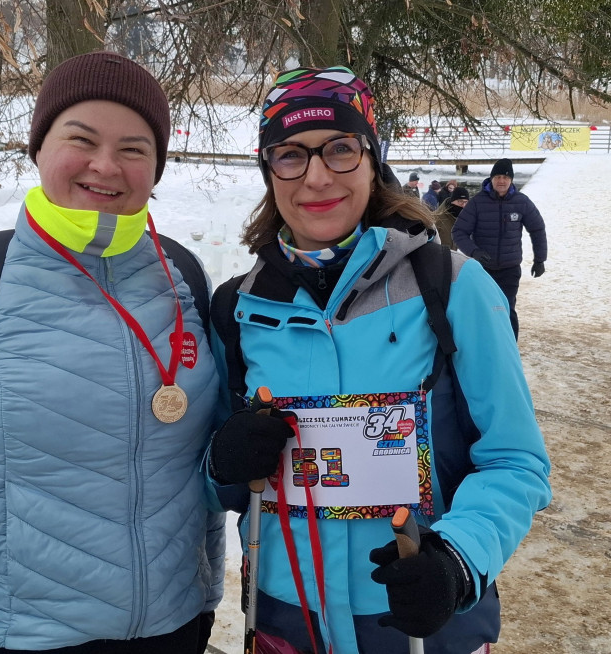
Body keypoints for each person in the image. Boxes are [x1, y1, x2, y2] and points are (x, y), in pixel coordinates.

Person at [0, 51, 224, 654]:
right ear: (39, 147)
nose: (105, 165)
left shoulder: (184, 278)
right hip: (29, 638)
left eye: (135, 149)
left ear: (156, 167)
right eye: (80, 138)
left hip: (177, 624)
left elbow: (198, 465)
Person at [206, 66, 551, 654]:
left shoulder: (452, 287)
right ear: (269, 172)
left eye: (339, 149)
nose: (315, 177)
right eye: (289, 155)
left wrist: (456, 560)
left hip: (419, 617)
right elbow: (226, 485)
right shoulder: (239, 305)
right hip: (287, 617)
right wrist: (224, 461)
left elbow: (516, 462)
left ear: (372, 159)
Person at [451, 158, 548, 337]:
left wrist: (540, 259)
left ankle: (509, 348)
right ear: (491, 179)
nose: (501, 181)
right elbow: (459, 232)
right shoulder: (478, 203)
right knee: (482, 309)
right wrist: (474, 251)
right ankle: (483, 347)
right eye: (497, 177)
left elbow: (537, 228)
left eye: (505, 177)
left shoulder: (522, 202)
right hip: (482, 269)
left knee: (506, 308)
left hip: (509, 268)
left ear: (511, 179)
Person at [435, 186, 469, 250]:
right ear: (452, 201)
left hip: (452, 257)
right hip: (438, 257)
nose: (463, 205)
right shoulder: (437, 218)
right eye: (460, 201)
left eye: (466, 202)